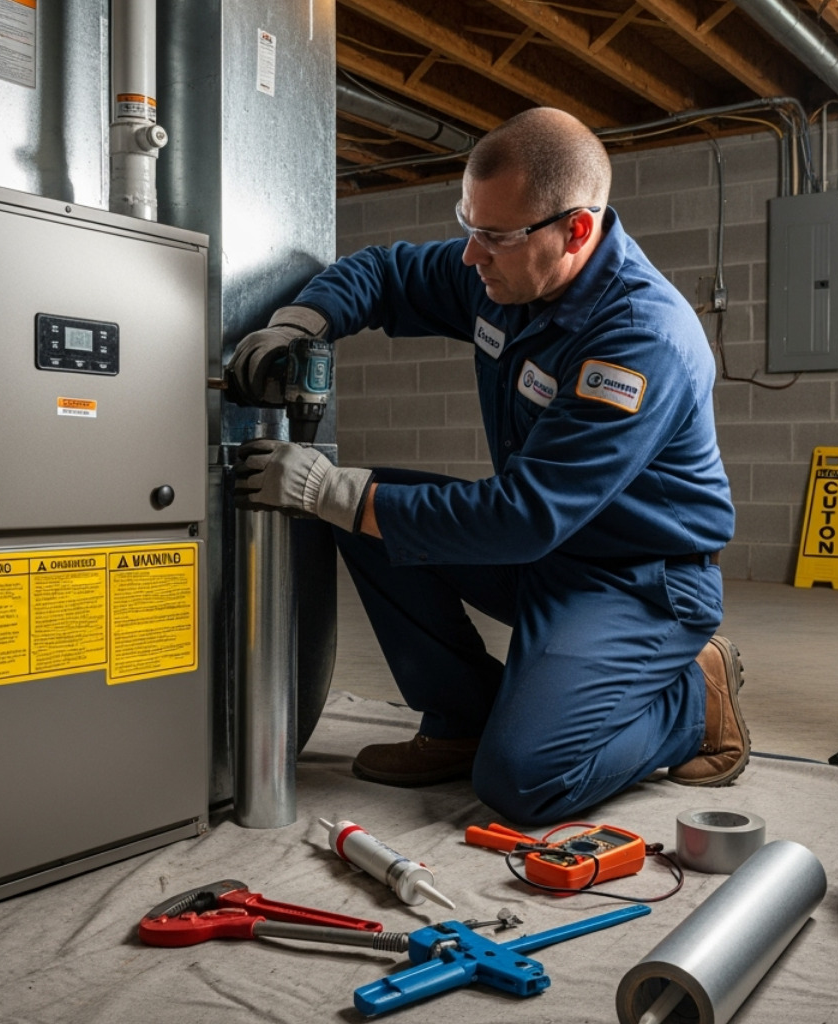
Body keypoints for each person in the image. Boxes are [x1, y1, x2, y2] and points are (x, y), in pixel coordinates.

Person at [227, 106, 746, 826]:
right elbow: (384, 273)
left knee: (525, 781)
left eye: (494, 237)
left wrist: (331, 489)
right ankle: (461, 716)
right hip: (547, 548)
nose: (472, 256)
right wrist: (304, 320)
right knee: (370, 515)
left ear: (577, 231)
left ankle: (693, 702)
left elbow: (523, 517)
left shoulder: (637, 341)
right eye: (468, 226)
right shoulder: (505, 267)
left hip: (634, 581)